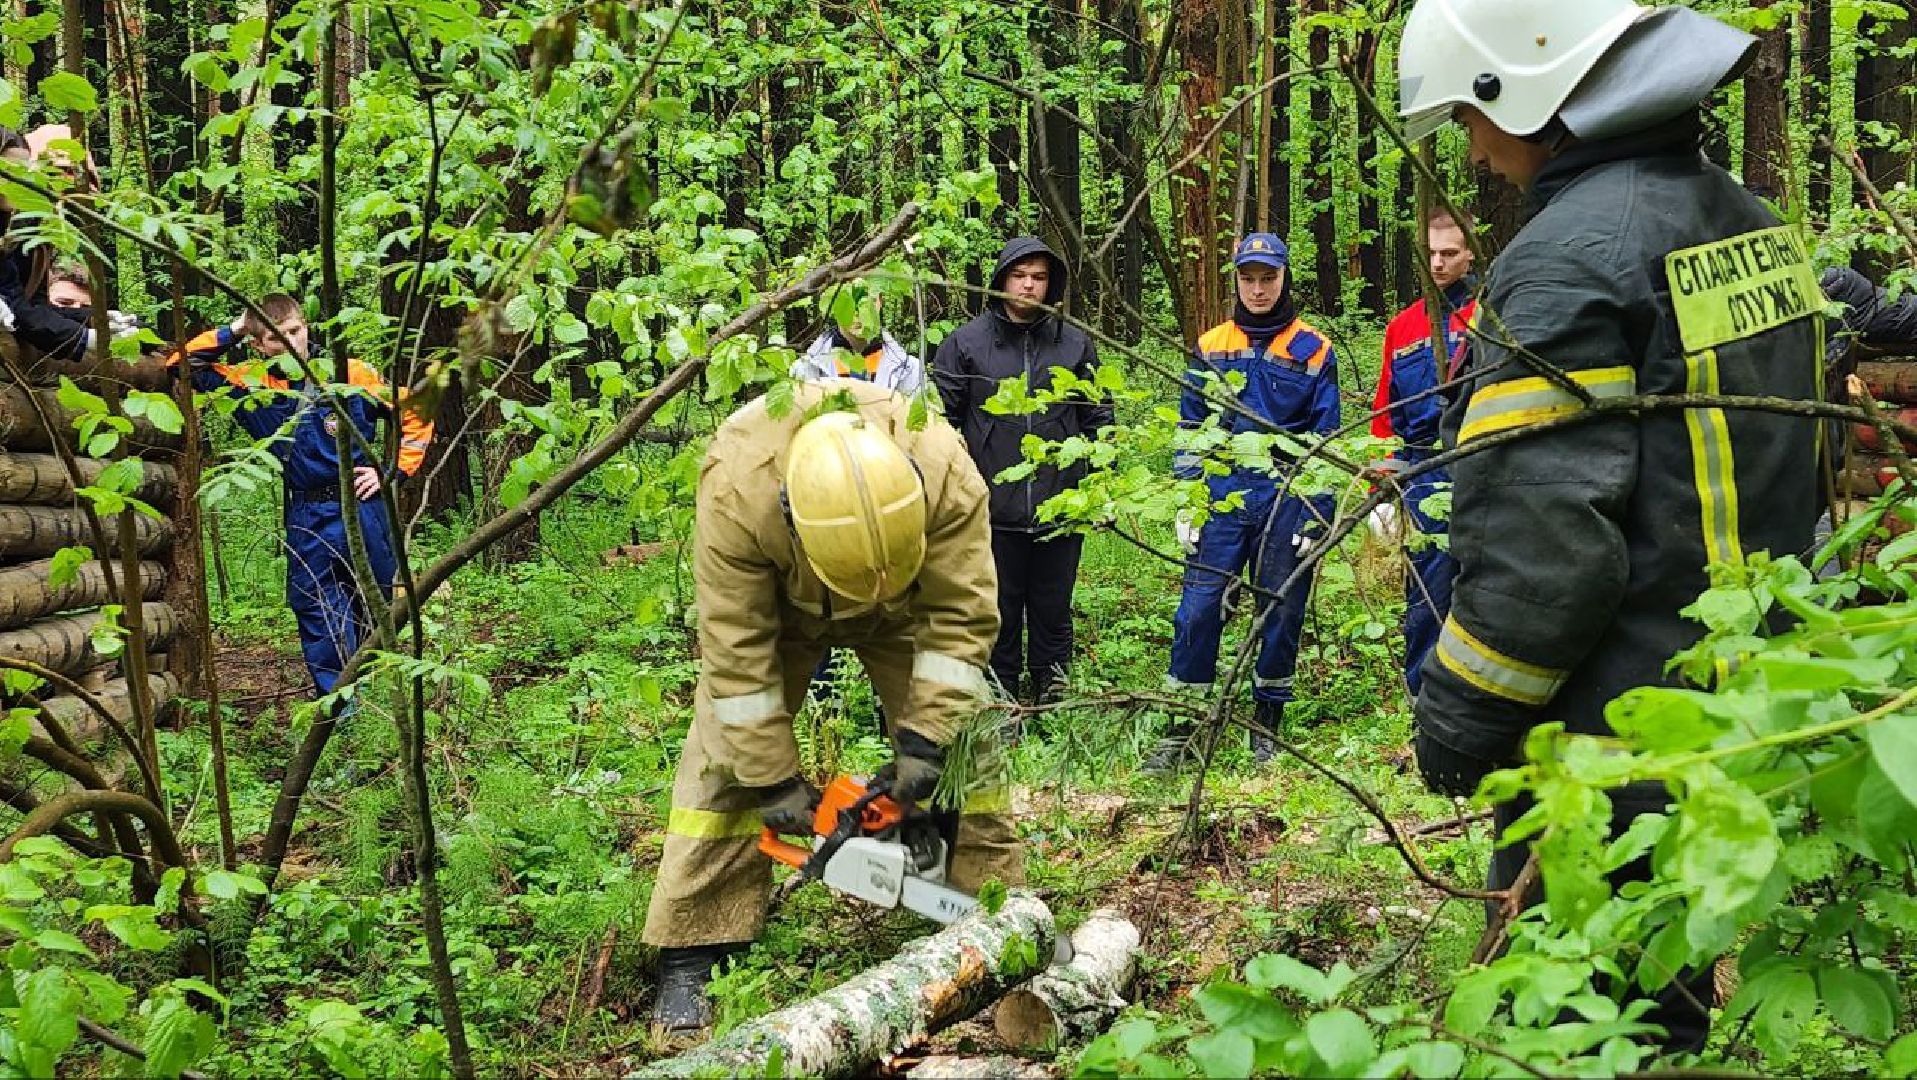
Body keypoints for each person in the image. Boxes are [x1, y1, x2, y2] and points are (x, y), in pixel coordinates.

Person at [1397, 0, 1822, 1051]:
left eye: (1469, 116)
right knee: (1662, 997)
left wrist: (1460, 714)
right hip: (1736, 713)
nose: (1477, 152)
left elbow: (1546, 556)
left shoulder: (1564, 263)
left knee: (1568, 1020)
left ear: (1527, 93)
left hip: (1610, 741)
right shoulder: (1752, 225)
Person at [642, 379, 1021, 1035]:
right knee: (720, 756)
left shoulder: (942, 465)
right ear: (790, 514)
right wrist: (770, 778)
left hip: (908, 607)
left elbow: (959, 619)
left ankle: (990, 907)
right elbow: (736, 647)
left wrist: (925, 743)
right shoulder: (738, 482)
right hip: (784, 610)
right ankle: (692, 945)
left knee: (969, 747)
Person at [175, 295, 435, 696]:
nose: (291, 341)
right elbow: (183, 363)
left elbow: (416, 411)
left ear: (306, 327)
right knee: (315, 606)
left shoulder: (350, 373)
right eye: (277, 337)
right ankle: (340, 706)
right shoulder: (251, 381)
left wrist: (393, 471)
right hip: (306, 513)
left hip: (362, 507)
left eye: (295, 330)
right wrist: (237, 328)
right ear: (260, 345)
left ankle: (380, 696)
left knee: (376, 600)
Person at [1149, 233, 1341, 771]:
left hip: (1285, 492)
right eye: (1248, 278)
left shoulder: (1314, 349)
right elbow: (1191, 425)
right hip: (1222, 491)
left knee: (1281, 608)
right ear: (1236, 279)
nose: (1258, 289)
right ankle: (1183, 726)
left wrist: (1316, 509)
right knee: (1199, 608)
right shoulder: (1212, 345)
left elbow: (1325, 438)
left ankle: (1266, 724)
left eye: (1268, 278)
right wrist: (1189, 499)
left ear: (1284, 279)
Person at [933, 237, 1111, 706]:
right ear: (1001, 279)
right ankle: (1002, 699)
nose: (1029, 286)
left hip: (1061, 506)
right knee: (998, 610)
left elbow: (1098, 419)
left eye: (1039, 277)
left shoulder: (1074, 344)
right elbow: (941, 424)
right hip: (990, 509)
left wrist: (1090, 485)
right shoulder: (965, 344)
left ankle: (1052, 697)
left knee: (1052, 609)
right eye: (1020, 275)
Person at [1369, 208, 1478, 696]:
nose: (1438, 263)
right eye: (1430, 253)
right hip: (1419, 473)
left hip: (1480, 466)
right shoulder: (1404, 326)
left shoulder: (1488, 318)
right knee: (1426, 594)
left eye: (1449, 253)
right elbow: (1385, 416)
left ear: (1470, 253)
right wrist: (1382, 491)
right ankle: (1423, 696)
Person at [790, 283, 924, 394]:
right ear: (833, 304)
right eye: (848, 301)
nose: (858, 313)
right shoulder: (805, 369)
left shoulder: (910, 371)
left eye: (867, 301)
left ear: (880, 301)